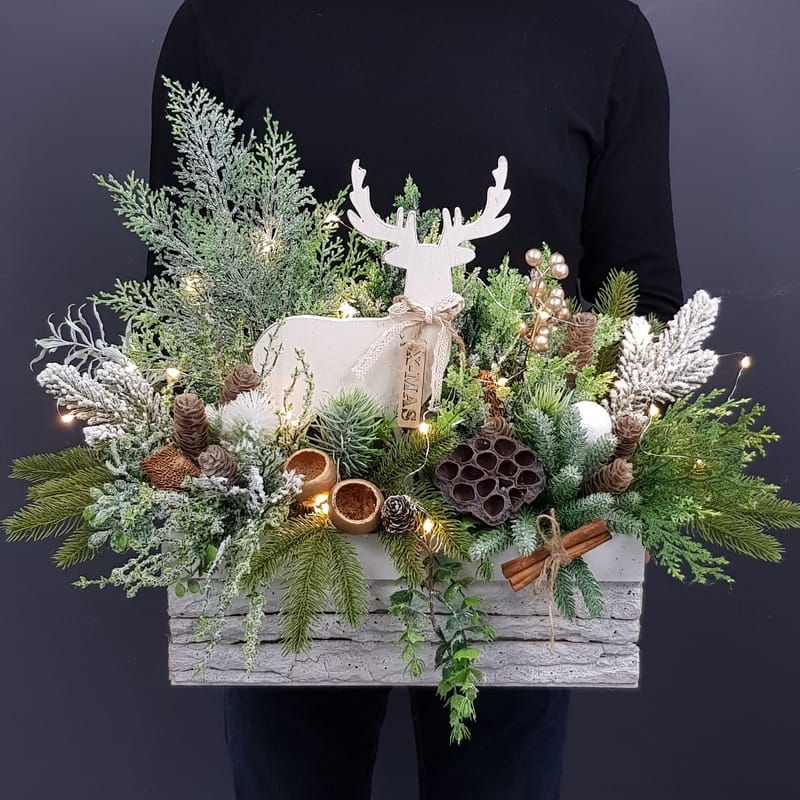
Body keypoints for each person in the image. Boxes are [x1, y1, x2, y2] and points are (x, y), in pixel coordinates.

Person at [149, 2, 683, 798]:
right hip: (290, 518)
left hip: (519, 524)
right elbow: (177, 299)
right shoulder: (226, 23)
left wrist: (603, 453)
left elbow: (641, 300)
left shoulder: (598, 29)